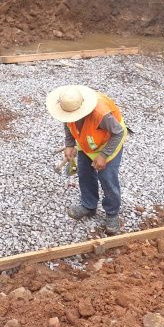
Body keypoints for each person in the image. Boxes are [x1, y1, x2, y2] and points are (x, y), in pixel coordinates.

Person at [45, 85, 127, 235]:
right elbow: (68, 123)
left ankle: (112, 213)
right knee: (84, 172)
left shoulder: (101, 115)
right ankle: (89, 205)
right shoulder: (69, 108)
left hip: (108, 144)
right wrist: (69, 144)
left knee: (107, 178)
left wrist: (103, 156)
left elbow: (118, 133)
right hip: (87, 144)